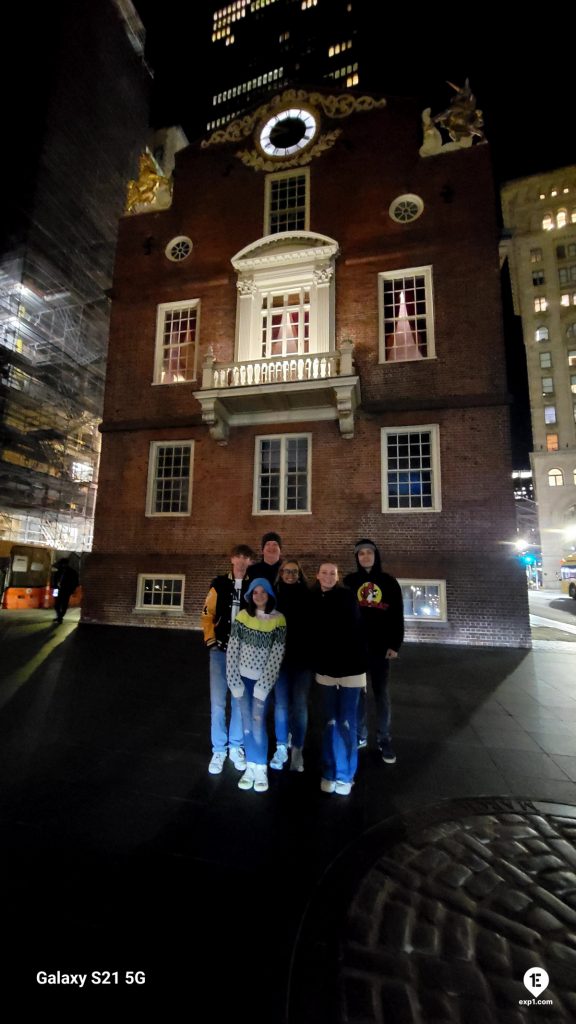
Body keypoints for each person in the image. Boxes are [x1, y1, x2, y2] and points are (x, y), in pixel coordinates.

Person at [344, 539, 404, 764]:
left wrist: (395, 644)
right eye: (361, 554)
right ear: (357, 558)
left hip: (380, 647)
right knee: (358, 695)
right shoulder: (350, 581)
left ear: (375, 555)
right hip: (357, 647)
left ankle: (383, 738)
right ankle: (360, 735)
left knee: (381, 694)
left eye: (369, 553)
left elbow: (397, 613)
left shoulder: (388, 582)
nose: (365, 557)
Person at [310, 562, 367, 796]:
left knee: (347, 722)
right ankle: (329, 771)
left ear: (337, 576)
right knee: (329, 723)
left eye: (332, 573)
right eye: (324, 572)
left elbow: (351, 628)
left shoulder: (347, 597)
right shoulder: (313, 598)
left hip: (351, 670)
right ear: (317, 575)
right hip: (326, 670)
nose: (328, 576)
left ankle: (346, 775)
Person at [226, 578, 286, 793]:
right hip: (242, 680)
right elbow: (233, 650)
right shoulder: (242, 617)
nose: (259, 596)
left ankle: (260, 767)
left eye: (263, 592)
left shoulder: (279, 620)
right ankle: (250, 766)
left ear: (269, 594)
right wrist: (233, 681)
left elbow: (276, 655)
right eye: (255, 592)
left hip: (263, 682)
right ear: (250, 596)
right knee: (246, 724)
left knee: (258, 722)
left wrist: (264, 684)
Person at [201, 544, 255, 775]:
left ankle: (236, 746)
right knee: (218, 703)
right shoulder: (219, 583)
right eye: (238, 557)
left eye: (246, 558)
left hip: (243, 654)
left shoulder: (255, 586)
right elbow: (207, 613)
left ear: (250, 562)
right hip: (220, 652)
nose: (242, 561)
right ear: (232, 559)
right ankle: (219, 749)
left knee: (239, 702)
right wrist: (210, 640)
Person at [271, 558, 313, 773]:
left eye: (294, 572)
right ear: (280, 573)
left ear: (299, 574)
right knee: (280, 704)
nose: (290, 574)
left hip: (302, 659)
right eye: (286, 571)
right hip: (279, 659)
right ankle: (281, 747)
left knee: (300, 705)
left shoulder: (307, 595)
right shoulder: (273, 596)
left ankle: (297, 748)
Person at [52, 558, 79, 624]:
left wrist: (72, 589)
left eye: (63, 564)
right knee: (56, 604)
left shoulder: (72, 572)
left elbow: (75, 582)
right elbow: (55, 579)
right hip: (57, 589)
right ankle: (59, 616)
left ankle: (60, 616)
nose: (62, 565)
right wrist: (54, 587)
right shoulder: (59, 571)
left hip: (66, 590)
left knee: (64, 604)